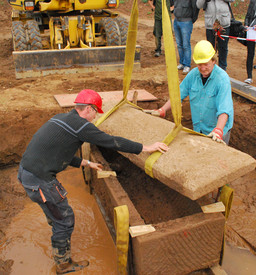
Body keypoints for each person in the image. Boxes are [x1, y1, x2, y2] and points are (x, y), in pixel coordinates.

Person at [17, 89, 169, 274]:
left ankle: (55, 224)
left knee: (56, 214)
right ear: (88, 109)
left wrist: (87, 163)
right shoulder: (81, 125)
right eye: (96, 111)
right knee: (65, 220)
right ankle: (63, 264)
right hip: (39, 180)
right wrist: (145, 147)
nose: (95, 116)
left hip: (28, 174)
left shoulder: (62, 119)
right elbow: (112, 141)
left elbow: (58, 154)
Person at [146, 40, 234, 145]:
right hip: (198, 128)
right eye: (199, 64)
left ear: (213, 61)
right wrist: (162, 110)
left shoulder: (222, 79)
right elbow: (178, 95)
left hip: (216, 132)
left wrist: (218, 130)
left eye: (206, 64)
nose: (202, 68)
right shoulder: (193, 75)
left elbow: (224, 108)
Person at [196, 0, 235, 71]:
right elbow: (199, 5)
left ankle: (222, 68)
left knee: (223, 47)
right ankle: (211, 68)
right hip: (210, 24)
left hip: (223, 23)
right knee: (210, 48)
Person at [173, 0, 199, 74]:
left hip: (186, 22)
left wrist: (191, 20)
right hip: (176, 21)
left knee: (186, 45)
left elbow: (195, 9)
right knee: (179, 44)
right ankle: (181, 63)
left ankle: (187, 65)